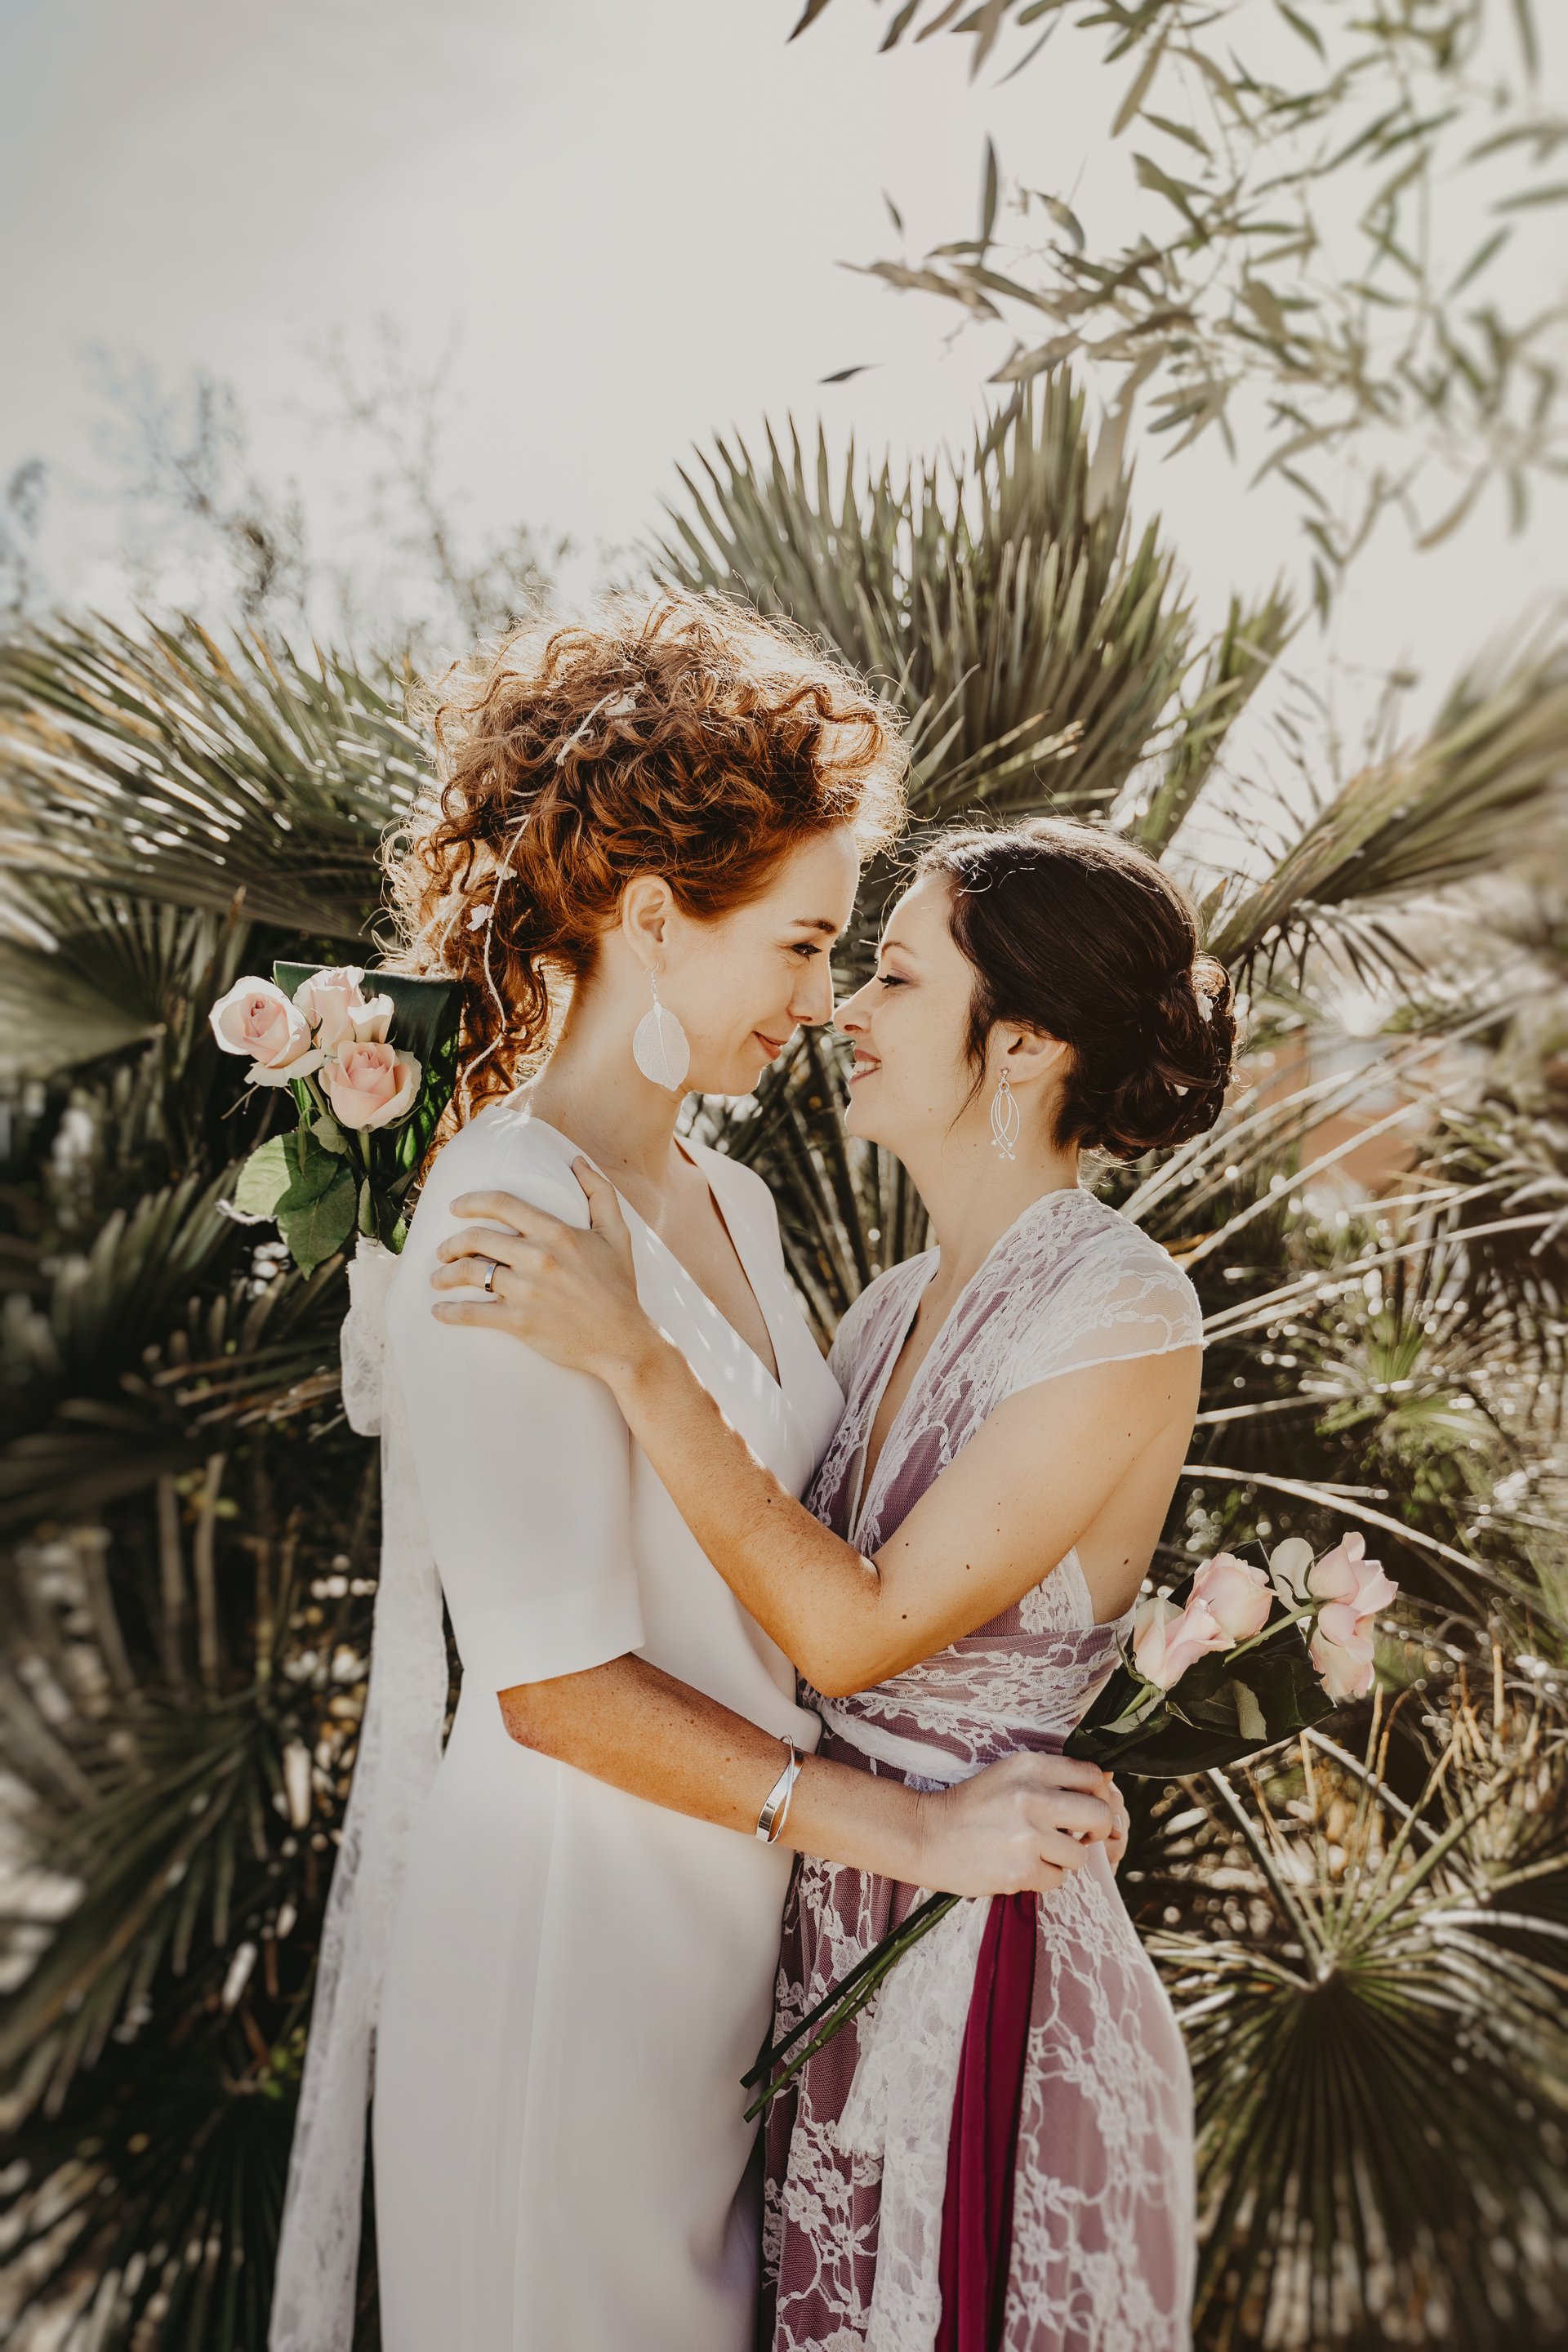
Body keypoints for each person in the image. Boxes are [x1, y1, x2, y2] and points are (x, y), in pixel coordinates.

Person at [268, 598, 1122, 2352]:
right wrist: (916, 1832)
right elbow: (558, 1688)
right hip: (565, 1959)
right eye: (800, 947)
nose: (820, 1004)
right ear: (655, 921)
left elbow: (788, 1555)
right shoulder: (501, 1203)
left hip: (730, 1965)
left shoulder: (732, 1203)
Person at [431, 815, 1237, 2352]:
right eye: (843, 968)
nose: (844, 1014)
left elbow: (853, 1634)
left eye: (894, 978)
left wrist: (632, 1357)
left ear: (1023, 1046)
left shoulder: (1125, 1308)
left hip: (967, 1926)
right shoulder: (878, 1312)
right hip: (811, 1929)